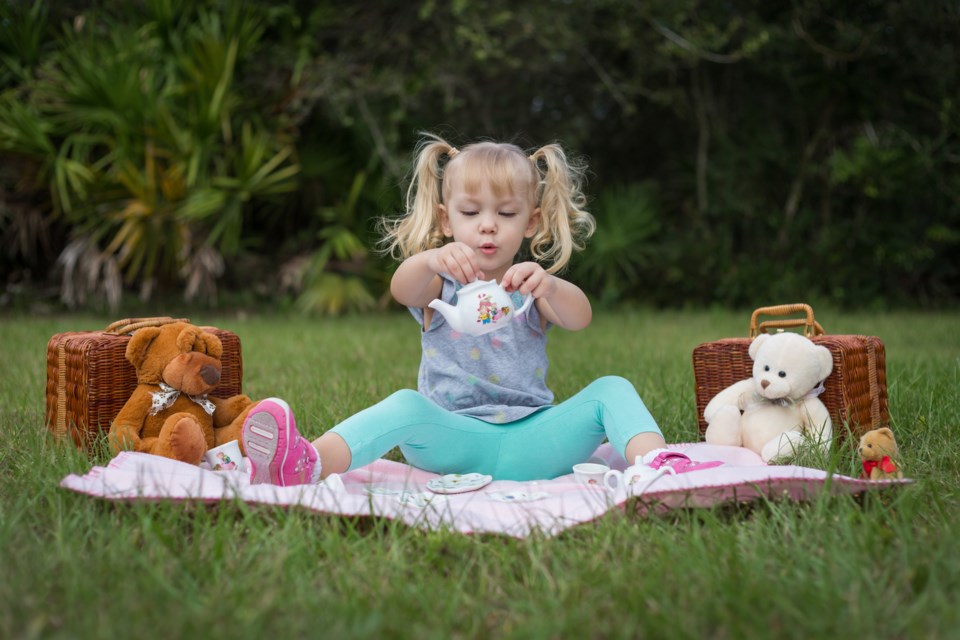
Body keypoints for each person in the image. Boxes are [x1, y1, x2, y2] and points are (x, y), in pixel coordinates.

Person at [241, 133, 698, 486]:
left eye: (505, 214)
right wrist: (429, 259)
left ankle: (656, 468)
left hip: (535, 439)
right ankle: (307, 463)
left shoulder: (529, 286)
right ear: (446, 219)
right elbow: (404, 289)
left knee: (612, 388)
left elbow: (581, 317)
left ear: (531, 222)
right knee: (405, 404)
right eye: (471, 212)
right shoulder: (440, 282)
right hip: (452, 437)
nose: (487, 226)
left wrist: (551, 285)